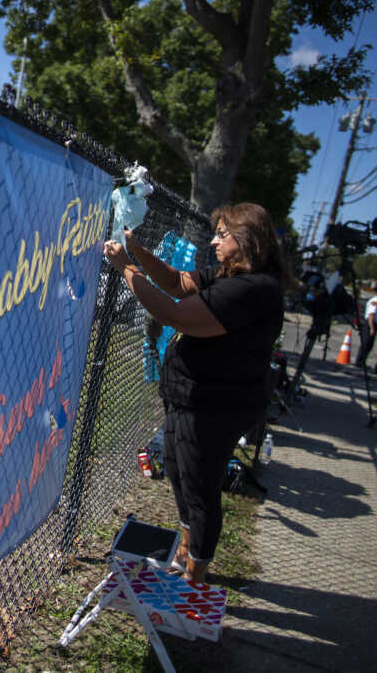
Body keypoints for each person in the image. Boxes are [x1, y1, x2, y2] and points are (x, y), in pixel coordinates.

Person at [103, 203, 291, 583]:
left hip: (213, 406)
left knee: (200, 485)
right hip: (191, 398)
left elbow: (175, 313)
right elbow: (177, 282)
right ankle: (187, 549)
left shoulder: (252, 289)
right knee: (177, 468)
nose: (215, 240)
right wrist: (138, 251)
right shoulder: (231, 275)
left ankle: (195, 575)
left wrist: (126, 267)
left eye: (223, 234)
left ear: (248, 240)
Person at [355, 284, 377, 370]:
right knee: (366, 343)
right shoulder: (375, 301)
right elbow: (371, 315)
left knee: (369, 344)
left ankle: (362, 361)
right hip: (370, 324)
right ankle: (359, 362)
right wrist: (372, 328)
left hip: (374, 324)